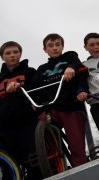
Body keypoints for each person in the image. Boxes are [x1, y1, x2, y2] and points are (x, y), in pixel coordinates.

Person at [0, 41, 41, 180]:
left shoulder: (30, 71)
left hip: (27, 122)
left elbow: (38, 91)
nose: (12, 55)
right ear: (2, 57)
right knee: (7, 166)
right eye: (8, 53)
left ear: (20, 54)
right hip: (3, 126)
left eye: (15, 52)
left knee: (33, 162)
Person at [33, 33, 88, 167]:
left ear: (62, 46)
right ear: (45, 49)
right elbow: (35, 88)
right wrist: (34, 102)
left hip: (71, 106)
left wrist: (71, 67)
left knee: (76, 145)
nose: (55, 48)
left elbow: (77, 63)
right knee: (42, 132)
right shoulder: (41, 69)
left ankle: (81, 169)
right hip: (50, 109)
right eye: (50, 46)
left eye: (58, 45)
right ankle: (55, 167)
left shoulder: (70, 57)